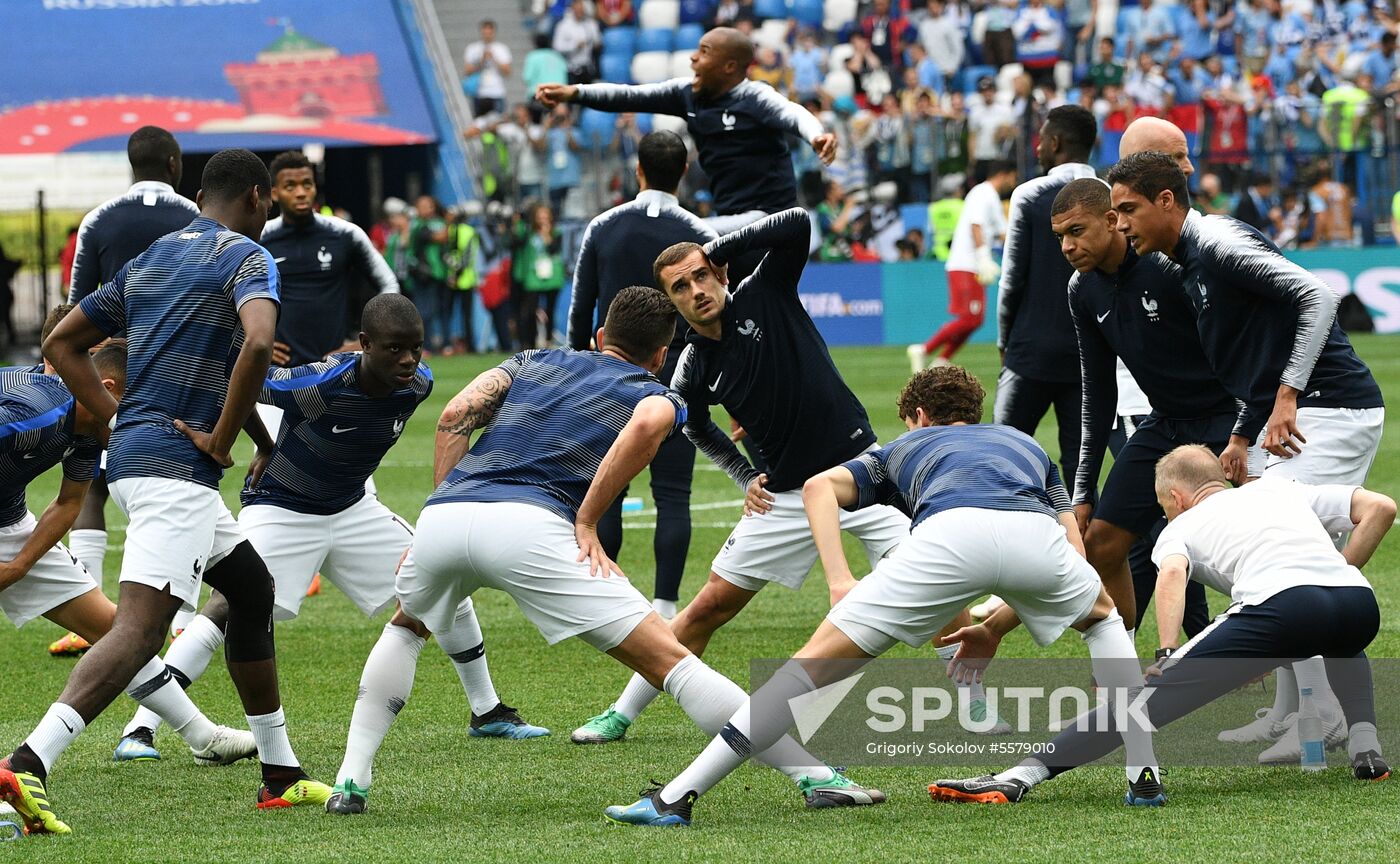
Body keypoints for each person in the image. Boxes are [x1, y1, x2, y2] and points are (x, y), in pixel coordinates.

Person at [347, 286, 882, 816]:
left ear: (601, 336)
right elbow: (649, 422)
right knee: (672, 662)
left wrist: (442, 505)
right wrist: (587, 519)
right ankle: (816, 777)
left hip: (446, 515)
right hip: (533, 527)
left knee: (407, 626)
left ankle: (352, 781)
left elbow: (455, 415)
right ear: (660, 355)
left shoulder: (532, 357)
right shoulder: (657, 393)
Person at [606, 366, 1161, 826]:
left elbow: (821, 487)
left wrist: (839, 576)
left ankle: (675, 797)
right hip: (1033, 536)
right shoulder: (1023, 444)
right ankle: (1144, 773)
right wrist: (992, 627)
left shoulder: (906, 443)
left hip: (947, 538)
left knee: (801, 675)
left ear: (917, 416)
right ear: (975, 411)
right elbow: (1072, 556)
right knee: (1103, 620)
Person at [0, 150, 330, 836]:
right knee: (141, 626)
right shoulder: (245, 258)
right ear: (258, 197)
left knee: (251, 590)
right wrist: (222, 436)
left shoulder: (149, 259)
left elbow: (63, 343)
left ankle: (280, 772)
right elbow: (260, 341)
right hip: (178, 469)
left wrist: (118, 418)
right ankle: (29, 761)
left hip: (143, 462)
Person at [110, 295, 547, 767]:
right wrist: (252, 440)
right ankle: (142, 727)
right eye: (395, 348)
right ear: (365, 345)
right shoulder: (318, 383)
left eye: (416, 348)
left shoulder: (419, 384)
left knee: (441, 580)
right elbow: (236, 377)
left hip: (353, 509)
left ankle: (488, 711)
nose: (408, 361)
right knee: (229, 607)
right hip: (281, 509)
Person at [571, 209, 953, 747]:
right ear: (672, 303)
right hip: (786, 495)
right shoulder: (692, 365)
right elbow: (696, 426)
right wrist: (742, 473)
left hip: (864, 473)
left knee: (933, 583)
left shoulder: (765, 290)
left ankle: (975, 700)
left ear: (719, 273)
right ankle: (622, 712)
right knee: (708, 607)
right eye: (681, 287)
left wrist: (718, 248)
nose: (696, 290)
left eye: (701, 275)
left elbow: (797, 223)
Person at [1109, 152, 1386, 756]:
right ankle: (1292, 711)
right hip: (1295, 410)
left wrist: (1287, 394)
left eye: (1128, 209)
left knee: (1287, 562)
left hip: (1326, 408)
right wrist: (1241, 434)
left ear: (1166, 201)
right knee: (1274, 560)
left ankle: (1320, 721)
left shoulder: (1216, 243)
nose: (1121, 224)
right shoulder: (1183, 262)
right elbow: (1251, 361)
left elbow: (1318, 297)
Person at [931, 445, 1393, 805]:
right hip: (1357, 605)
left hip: (1282, 606)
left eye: (1163, 506)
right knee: (1338, 637)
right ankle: (1366, 747)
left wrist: (1167, 651)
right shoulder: (1282, 487)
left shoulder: (1181, 526)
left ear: (1176, 497)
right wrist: (1341, 572)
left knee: (1144, 701)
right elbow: (1382, 508)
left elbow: (1171, 574)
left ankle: (1021, 775)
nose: (1166, 514)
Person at [0, 349, 260, 782]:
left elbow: (69, 502)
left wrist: (19, 566)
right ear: (107, 391)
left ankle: (202, 737)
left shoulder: (85, 429)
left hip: (12, 525)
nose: (142, 421)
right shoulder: (36, 412)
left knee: (119, 634)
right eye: (137, 406)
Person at [1054, 177, 1227, 639]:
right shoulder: (1080, 289)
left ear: (1111, 221)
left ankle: (1246, 647)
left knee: (1239, 544)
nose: (1068, 247)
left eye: (1076, 231)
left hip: (1227, 417)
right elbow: (1097, 392)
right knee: (1102, 544)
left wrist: (1247, 426)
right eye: (1060, 237)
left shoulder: (1166, 266)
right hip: (1165, 422)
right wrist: (1083, 492)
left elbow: (1234, 343)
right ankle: (1121, 659)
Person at [61, 126, 200, 654]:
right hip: (176, 366)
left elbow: (77, 303)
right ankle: (184, 615)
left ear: (130, 163)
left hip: (112, 365)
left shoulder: (99, 218)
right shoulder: (194, 218)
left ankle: (86, 612)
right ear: (173, 163)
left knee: (92, 483)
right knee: (185, 479)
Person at [566, 131, 716, 619]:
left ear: (638, 170)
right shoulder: (698, 232)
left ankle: (603, 598)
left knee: (606, 490)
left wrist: (577, 370)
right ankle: (666, 605)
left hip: (607, 377)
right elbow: (711, 312)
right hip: (675, 375)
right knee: (674, 493)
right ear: (684, 170)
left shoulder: (603, 225)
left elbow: (580, 307)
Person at [536, 27, 837, 236]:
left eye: (704, 52)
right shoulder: (688, 94)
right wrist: (573, 93)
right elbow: (629, 95)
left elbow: (792, 112)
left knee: (682, 238)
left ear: (729, 67)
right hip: (730, 216)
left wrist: (816, 135)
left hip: (770, 218)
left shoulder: (755, 96)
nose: (693, 58)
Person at [991, 105, 1100, 496]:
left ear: (1055, 142)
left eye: (1041, 139)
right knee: (1081, 471)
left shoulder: (1030, 194)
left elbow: (1011, 279)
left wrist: (1004, 340)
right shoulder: (1106, 195)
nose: (1037, 147)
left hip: (1030, 352)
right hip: (1087, 358)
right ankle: (1083, 553)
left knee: (1001, 455)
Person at [261, 151, 400, 369]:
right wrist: (255, 342)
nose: (301, 193)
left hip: (335, 367)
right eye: (290, 186)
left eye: (307, 184)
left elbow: (389, 285)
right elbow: (225, 295)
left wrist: (366, 341)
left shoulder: (346, 233)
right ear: (275, 194)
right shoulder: (259, 239)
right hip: (280, 371)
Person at [907, 161, 1016, 370]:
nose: (1013, 182)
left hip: (971, 266)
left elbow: (1004, 234)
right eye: (1013, 176)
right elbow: (976, 224)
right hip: (966, 264)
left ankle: (941, 360)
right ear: (1004, 173)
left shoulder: (990, 197)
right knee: (971, 318)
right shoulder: (982, 193)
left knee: (975, 319)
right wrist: (983, 256)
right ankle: (924, 349)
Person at [518, 204, 564, 348]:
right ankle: (531, 343)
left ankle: (548, 341)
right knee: (531, 311)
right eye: (540, 217)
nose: (543, 220)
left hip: (552, 277)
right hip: (534, 277)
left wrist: (546, 235)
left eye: (545, 216)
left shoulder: (557, 233)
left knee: (551, 309)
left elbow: (553, 250)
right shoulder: (529, 234)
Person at [463, 19, 511, 116]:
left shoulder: (501, 48)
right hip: (479, 93)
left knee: (498, 125)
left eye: (489, 33)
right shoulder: (472, 48)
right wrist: (481, 61)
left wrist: (494, 59)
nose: (487, 35)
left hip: (497, 92)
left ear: (494, 33)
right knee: (479, 124)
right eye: (485, 33)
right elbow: (467, 71)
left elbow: (507, 72)